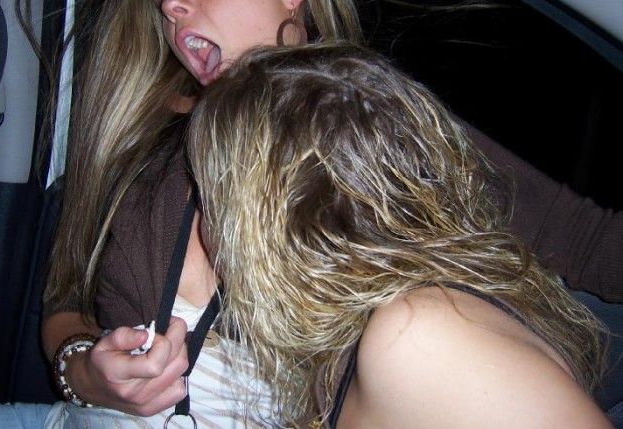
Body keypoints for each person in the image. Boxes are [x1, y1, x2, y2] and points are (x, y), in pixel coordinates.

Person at [0, 0, 620, 427]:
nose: (172, 4)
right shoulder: (138, 140)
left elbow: (590, 241)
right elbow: (65, 298)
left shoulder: (376, 126)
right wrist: (85, 371)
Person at [187, 42, 613, 428]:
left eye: (209, 196)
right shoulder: (356, 345)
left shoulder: (421, 336)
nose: (205, 222)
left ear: (260, 222)